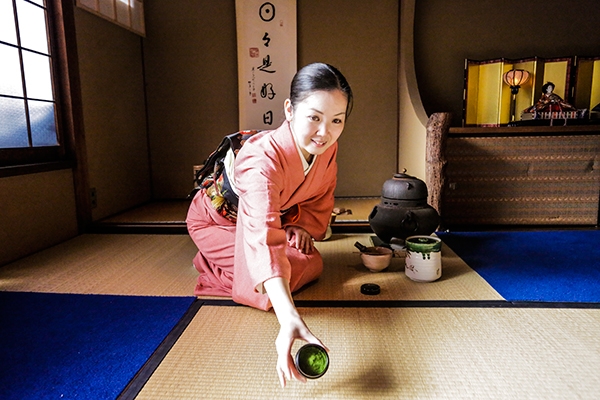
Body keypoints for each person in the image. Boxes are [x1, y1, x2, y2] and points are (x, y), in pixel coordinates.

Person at [186, 62, 353, 388]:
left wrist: (302, 225)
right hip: (217, 222)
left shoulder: (326, 148)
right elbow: (262, 233)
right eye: (314, 117)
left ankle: (248, 270)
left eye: (336, 121)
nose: (324, 132)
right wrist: (288, 316)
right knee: (272, 286)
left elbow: (319, 195)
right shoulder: (262, 158)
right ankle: (214, 264)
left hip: (267, 222)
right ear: (289, 109)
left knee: (312, 263)